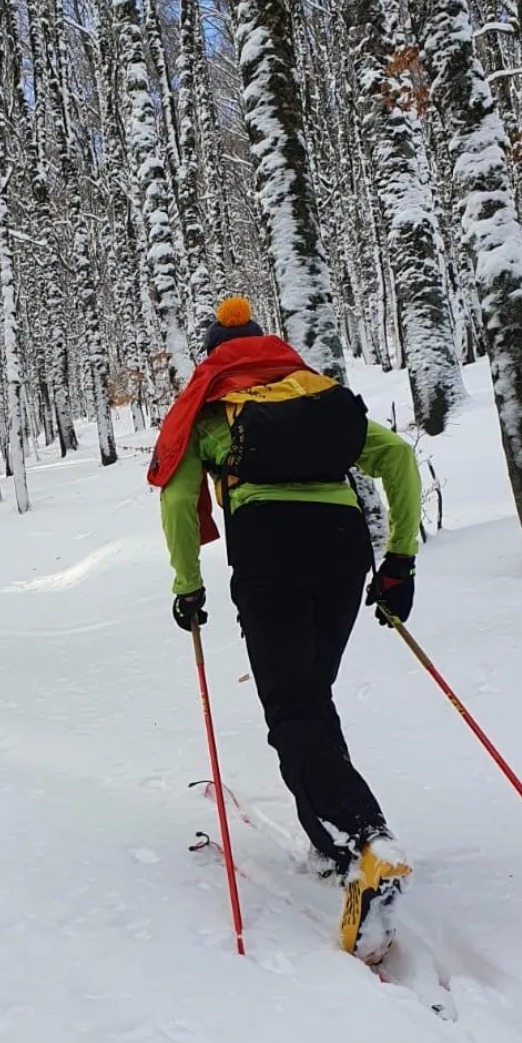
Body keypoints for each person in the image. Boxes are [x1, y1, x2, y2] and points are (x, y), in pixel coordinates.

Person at [148, 296, 421, 963]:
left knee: (293, 707)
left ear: (214, 357)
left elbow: (180, 496)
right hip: (341, 544)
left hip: (268, 548)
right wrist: (399, 563)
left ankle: (366, 838)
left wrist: (188, 584)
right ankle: (329, 841)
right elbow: (399, 461)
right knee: (309, 698)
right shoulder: (319, 394)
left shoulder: (213, 411)